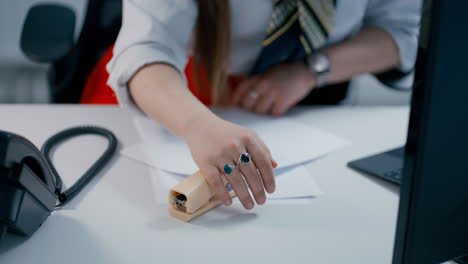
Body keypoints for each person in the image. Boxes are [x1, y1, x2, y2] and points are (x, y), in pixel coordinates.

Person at [106, 0, 422, 210]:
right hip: (182, 93)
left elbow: (404, 32)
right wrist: (198, 124)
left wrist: (311, 71)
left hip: (321, 96)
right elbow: (145, 48)